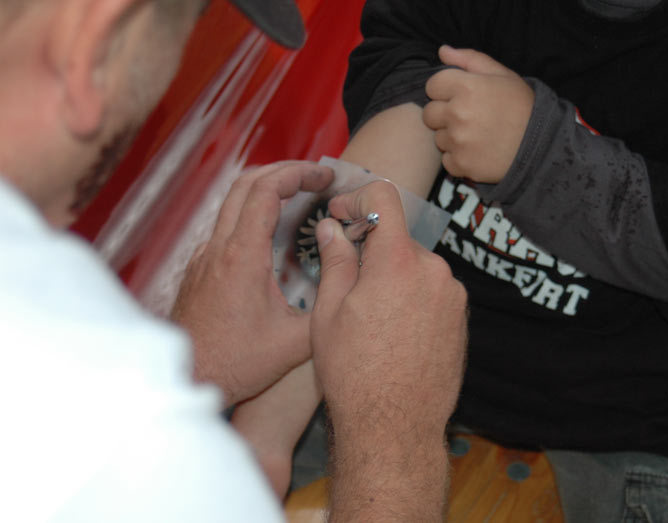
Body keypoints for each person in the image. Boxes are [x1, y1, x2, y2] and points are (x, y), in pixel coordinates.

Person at [0, 1, 468, 522]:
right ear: (91, 40)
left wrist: (199, 372)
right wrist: (395, 446)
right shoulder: (147, 458)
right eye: (190, 23)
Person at [337, 0, 668, 521]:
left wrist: (541, 155)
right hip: (386, 383)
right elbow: (363, 201)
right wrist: (270, 428)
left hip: (653, 441)